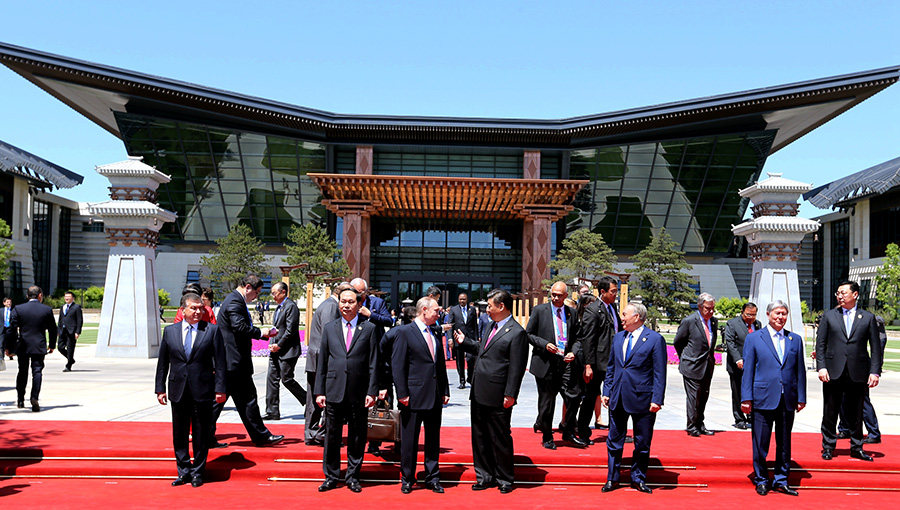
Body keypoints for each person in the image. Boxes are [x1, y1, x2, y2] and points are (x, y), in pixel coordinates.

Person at [453, 288, 528, 494]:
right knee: (479, 436)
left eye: (489, 306)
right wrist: (465, 343)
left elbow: (517, 367)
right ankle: (484, 476)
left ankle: (504, 478)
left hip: (499, 394)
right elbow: (483, 350)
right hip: (479, 390)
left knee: (499, 437)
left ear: (501, 306)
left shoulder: (517, 332)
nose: (486, 310)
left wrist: (511, 393)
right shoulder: (490, 326)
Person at [155, 292, 227, 488]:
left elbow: (220, 363)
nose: (197, 312)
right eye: (193, 308)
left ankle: (198, 472)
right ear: (183, 310)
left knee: (201, 433)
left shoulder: (211, 331)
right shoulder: (170, 331)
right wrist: (160, 388)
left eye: (200, 308)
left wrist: (220, 389)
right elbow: (163, 363)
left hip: (203, 390)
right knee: (179, 433)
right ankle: (183, 471)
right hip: (178, 389)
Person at [315, 287, 380, 493]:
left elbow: (374, 362)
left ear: (359, 304)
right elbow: (322, 362)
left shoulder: (369, 328)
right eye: (343, 301)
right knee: (332, 436)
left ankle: (353, 476)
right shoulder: (330, 328)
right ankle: (331, 476)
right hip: (333, 389)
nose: (346, 305)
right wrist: (319, 391)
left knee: (357, 436)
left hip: (359, 391)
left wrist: (372, 391)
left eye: (351, 302)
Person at [740, 300, 806, 496]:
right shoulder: (754, 338)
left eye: (784, 313)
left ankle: (781, 479)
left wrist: (801, 396)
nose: (780, 317)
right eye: (777, 313)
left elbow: (800, 370)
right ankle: (761, 479)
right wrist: (746, 398)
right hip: (762, 397)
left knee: (784, 443)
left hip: (787, 399)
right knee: (761, 442)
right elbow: (748, 370)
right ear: (768, 315)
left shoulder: (795, 339)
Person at [211, 275, 284, 448]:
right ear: (248, 287)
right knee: (237, 400)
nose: (256, 297)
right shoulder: (234, 301)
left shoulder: (234, 300)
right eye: (256, 293)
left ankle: (260, 436)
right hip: (233, 362)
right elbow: (239, 327)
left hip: (234, 362)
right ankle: (260, 436)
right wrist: (261, 332)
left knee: (242, 400)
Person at [600, 302, 666, 494]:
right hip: (618, 397)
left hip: (643, 399)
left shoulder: (655, 339)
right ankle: (612, 478)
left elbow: (659, 373)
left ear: (636, 317)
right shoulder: (618, 337)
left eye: (624, 314)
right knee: (614, 440)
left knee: (642, 441)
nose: (621, 318)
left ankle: (638, 478)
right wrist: (606, 391)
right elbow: (612, 367)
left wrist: (657, 399)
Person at [815, 281, 882, 461]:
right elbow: (820, 344)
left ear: (855, 294)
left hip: (858, 371)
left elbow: (875, 348)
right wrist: (821, 367)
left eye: (843, 293)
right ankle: (828, 446)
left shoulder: (867, 317)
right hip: (833, 370)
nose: (840, 296)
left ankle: (857, 447)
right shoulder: (829, 316)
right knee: (830, 411)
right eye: (838, 293)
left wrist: (875, 372)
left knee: (857, 411)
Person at [391, 296, 450, 494]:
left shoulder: (434, 331)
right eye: (436, 311)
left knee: (433, 439)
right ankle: (407, 478)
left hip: (434, 395)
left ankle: (433, 477)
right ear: (424, 310)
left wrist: (445, 390)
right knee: (409, 440)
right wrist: (402, 393)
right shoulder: (404, 332)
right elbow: (398, 365)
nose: (439, 314)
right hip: (412, 396)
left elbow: (439, 364)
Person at [526, 281, 582, 449]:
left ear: (566, 296)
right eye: (554, 295)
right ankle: (547, 436)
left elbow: (578, 338)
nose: (556, 298)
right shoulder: (539, 311)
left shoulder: (572, 313)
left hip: (565, 362)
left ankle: (568, 431)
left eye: (559, 295)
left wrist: (573, 352)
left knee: (574, 397)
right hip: (545, 362)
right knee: (547, 402)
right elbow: (528, 334)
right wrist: (544, 344)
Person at [351, 278, 393, 454]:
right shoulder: (349, 304)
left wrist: (370, 315)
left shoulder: (377, 303)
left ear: (366, 292)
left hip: (378, 353)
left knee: (382, 398)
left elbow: (389, 321)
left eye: (360, 292)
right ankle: (357, 439)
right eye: (355, 292)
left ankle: (376, 440)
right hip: (357, 354)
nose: (357, 295)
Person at [575, 276, 620, 443]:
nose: (615, 294)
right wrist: (588, 365)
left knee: (615, 396)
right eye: (613, 291)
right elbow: (588, 339)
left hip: (613, 360)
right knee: (590, 396)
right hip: (597, 362)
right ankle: (583, 432)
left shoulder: (612, 307)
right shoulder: (593, 310)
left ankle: (616, 432)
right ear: (603, 291)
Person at [304, 282, 348, 446]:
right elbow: (329, 334)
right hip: (320, 359)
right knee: (322, 397)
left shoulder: (328, 304)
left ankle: (313, 433)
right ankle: (320, 433)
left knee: (315, 398)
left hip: (316, 358)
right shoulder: (331, 306)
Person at [5, 285, 57, 412]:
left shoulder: (19, 309)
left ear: (27, 296)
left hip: (23, 345)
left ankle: (20, 399)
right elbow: (52, 329)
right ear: (40, 295)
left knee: (22, 372)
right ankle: (34, 397)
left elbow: (11, 330)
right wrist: (52, 345)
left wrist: (9, 347)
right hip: (39, 345)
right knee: (37, 372)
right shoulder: (46, 309)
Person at [674, 292, 718, 437]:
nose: (710, 311)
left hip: (707, 365)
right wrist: (686, 358)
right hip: (692, 365)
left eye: (712, 308)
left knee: (704, 396)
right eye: (707, 308)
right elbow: (678, 342)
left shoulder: (714, 322)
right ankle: (692, 426)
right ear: (699, 306)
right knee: (694, 397)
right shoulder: (689, 321)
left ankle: (700, 423)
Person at [837, 315, 887, 444]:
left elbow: (877, 350)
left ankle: (873, 432)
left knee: (863, 401)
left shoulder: (868, 323)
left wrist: (875, 371)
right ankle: (845, 428)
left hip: (860, 368)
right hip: (845, 367)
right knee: (843, 399)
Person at [262, 282, 306, 420]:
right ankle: (272, 411)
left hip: (288, 351)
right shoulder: (279, 307)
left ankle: (308, 400)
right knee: (271, 379)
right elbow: (278, 328)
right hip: (275, 350)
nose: (273, 296)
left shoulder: (290, 307)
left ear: (283, 292)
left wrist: (279, 345)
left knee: (287, 379)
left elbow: (290, 330)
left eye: (274, 293)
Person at [724, 302, 761, 429]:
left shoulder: (758, 324)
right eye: (748, 315)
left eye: (753, 315)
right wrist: (738, 359)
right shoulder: (732, 323)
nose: (751, 317)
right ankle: (739, 419)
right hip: (737, 365)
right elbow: (730, 343)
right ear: (742, 312)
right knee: (737, 392)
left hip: (754, 366)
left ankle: (751, 416)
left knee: (753, 392)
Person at [446, 292, 477, 389]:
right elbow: (450, 325)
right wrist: (450, 338)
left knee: (471, 359)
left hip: (469, 338)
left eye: (464, 299)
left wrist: (476, 338)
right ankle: (462, 380)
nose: (462, 301)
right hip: (458, 338)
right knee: (460, 361)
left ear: (467, 300)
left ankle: (470, 377)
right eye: (460, 299)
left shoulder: (472, 309)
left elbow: (475, 325)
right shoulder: (453, 310)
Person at [57, 291, 83, 372]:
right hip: (63, 331)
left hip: (72, 331)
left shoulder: (76, 307)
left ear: (73, 298)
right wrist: (58, 330)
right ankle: (71, 359)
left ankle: (68, 365)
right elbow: (60, 319)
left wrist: (78, 332)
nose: (66, 298)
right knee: (60, 347)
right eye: (65, 296)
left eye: (68, 296)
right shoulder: (63, 307)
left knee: (70, 348)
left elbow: (79, 320)